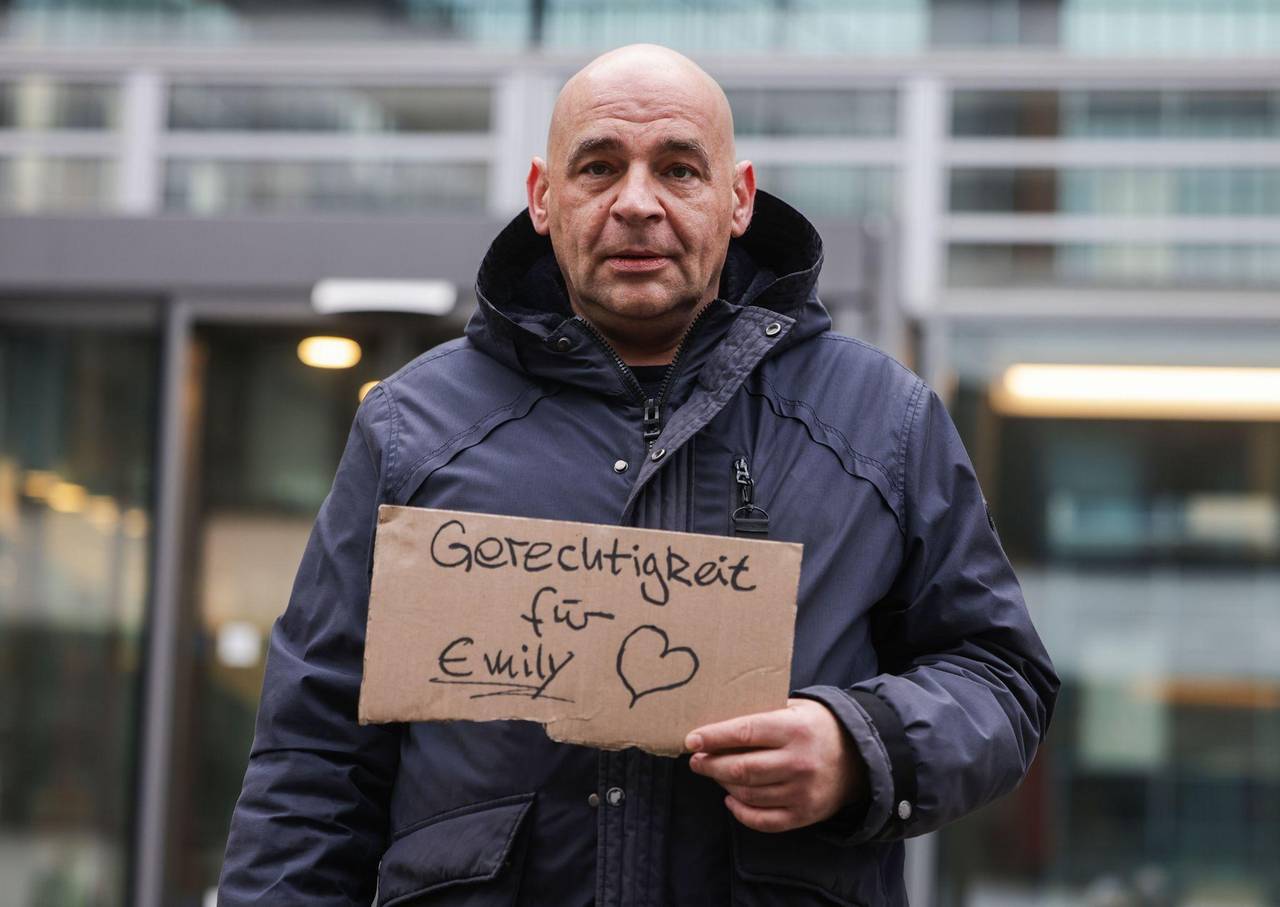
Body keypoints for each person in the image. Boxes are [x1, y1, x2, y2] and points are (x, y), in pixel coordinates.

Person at [218, 44, 1058, 906]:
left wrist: (861, 745)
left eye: (679, 169)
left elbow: (1001, 675)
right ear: (543, 196)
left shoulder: (881, 419)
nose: (636, 203)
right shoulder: (412, 428)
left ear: (739, 198)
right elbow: (311, 762)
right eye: (599, 167)